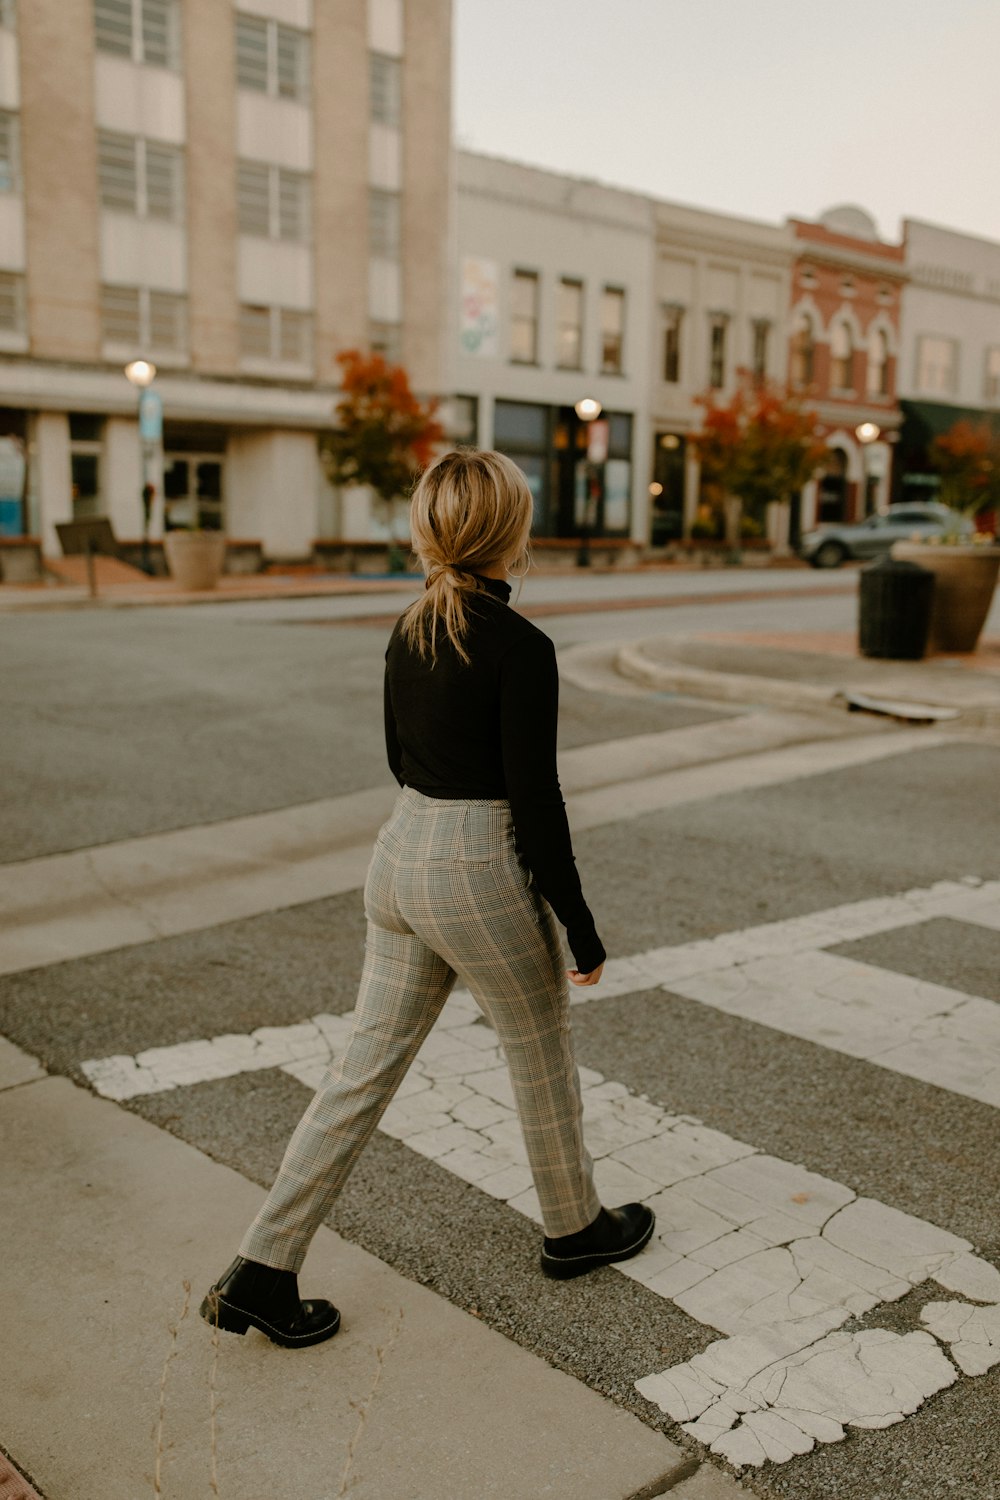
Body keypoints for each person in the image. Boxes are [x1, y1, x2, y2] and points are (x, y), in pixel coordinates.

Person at [200, 449, 655, 1348]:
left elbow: (399, 760)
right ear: (511, 534)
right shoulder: (521, 648)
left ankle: (262, 1266)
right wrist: (580, 922)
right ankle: (574, 1229)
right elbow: (536, 799)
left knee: (359, 1071)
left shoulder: (411, 628)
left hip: (399, 852)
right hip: (475, 865)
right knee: (537, 1045)